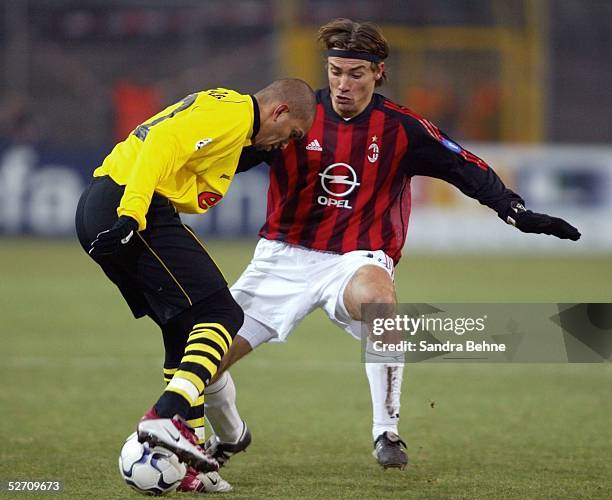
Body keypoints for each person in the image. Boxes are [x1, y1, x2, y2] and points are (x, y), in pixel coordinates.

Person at [196, 18, 582, 473]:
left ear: (378, 72)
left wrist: (513, 209)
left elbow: (466, 167)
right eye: (335, 71)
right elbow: (236, 156)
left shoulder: (403, 128)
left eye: (354, 74)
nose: (342, 83)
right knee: (205, 362)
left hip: (357, 259)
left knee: (379, 300)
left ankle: (386, 431)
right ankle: (231, 435)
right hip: (282, 257)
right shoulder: (299, 115)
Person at [75, 79, 316, 493]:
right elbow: (162, 141)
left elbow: (194, 155)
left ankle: (192, 462)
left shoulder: (231, 120)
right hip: (130, 204)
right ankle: (165, 416)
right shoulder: (233, 115)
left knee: (184, 331)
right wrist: (132, 215)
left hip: (106, 205)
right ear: (278, 112)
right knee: (222, 313)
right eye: (291, 133)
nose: (284, 144)